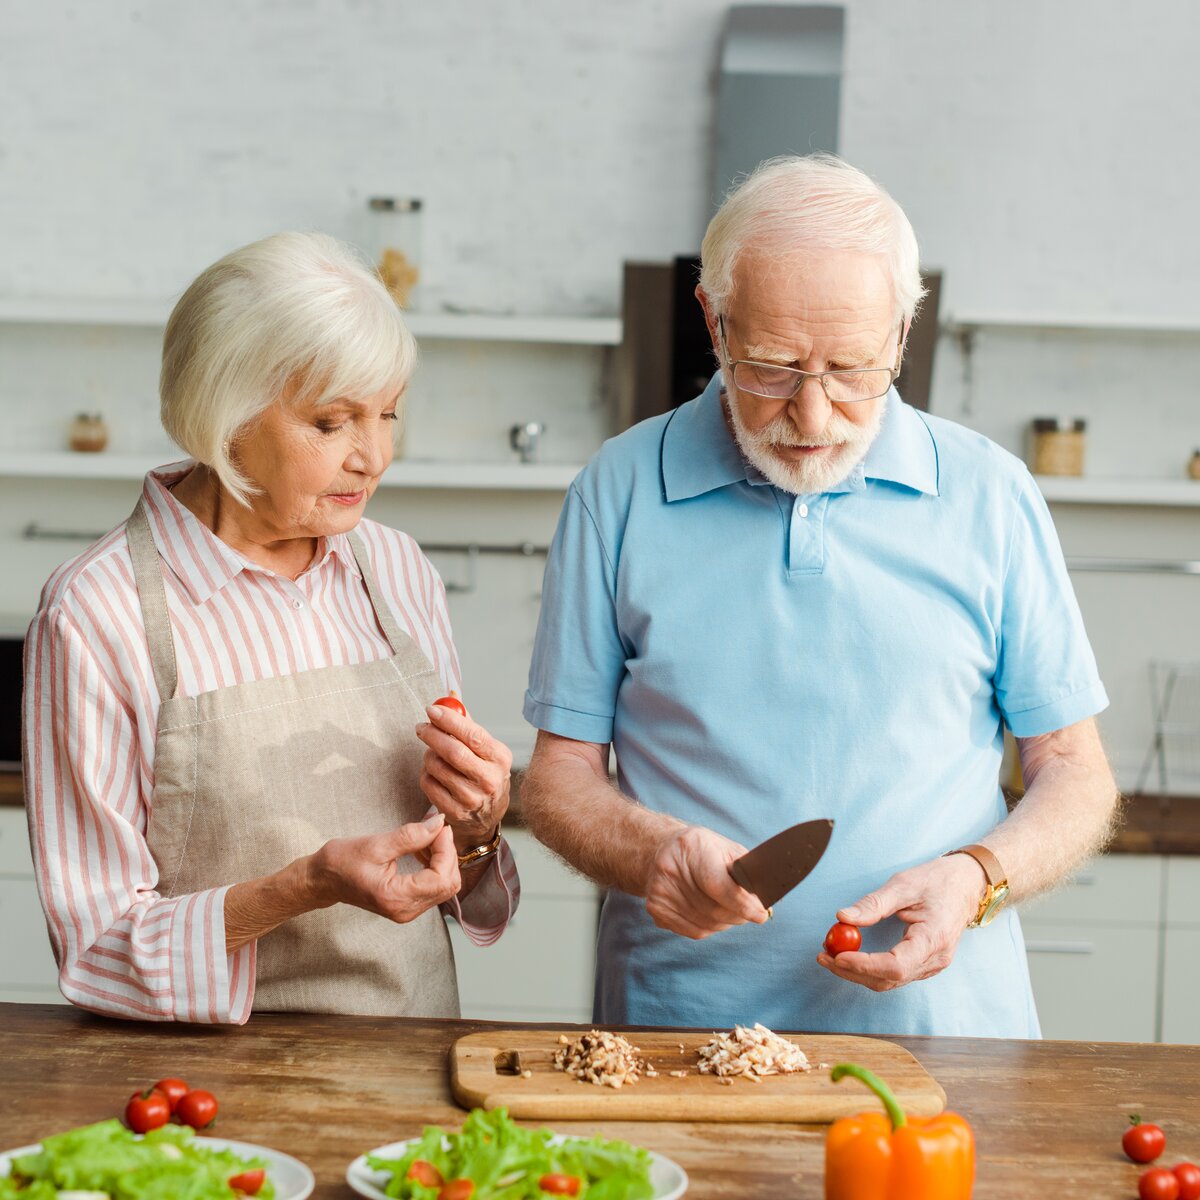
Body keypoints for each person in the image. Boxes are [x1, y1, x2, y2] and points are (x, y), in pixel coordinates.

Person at [520, 154, 1118, 1037]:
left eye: (850, 369)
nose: (811, 416)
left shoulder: (993, 496)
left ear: (903, 333)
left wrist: (977, 875)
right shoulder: (617, 492)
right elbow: (559, 778)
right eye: (770, 367)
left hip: (946, 1038)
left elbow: (1074, 770)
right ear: (712, 320)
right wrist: (652, 850)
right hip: (679, 1034)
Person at [23, 231, 518, 1023]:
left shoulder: (396, 569)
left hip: (412, 1057)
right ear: (226, 418)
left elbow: (457, 876)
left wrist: (480, 827)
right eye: (331, 423)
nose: (374, 457)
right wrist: (304, 887)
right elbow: (98, 950)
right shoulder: (94, 614)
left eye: (387, 414)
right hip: (210, 1092)